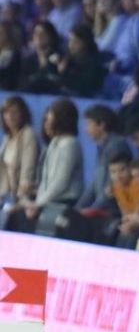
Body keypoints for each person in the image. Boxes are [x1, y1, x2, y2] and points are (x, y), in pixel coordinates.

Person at [5, 99, 84, 232]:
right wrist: (34, 194)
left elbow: (61, 182)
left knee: (19, 219)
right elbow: (47, 182)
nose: (46, 124)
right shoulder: (54, 143)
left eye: (49, 120)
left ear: (61, 120)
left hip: (62, 203)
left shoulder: (70, 144)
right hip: (47, 201)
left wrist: (38, 204)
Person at [76, 104, 131, 210]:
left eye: (88, 124)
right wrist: (78, 209)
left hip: (113, 211)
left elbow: (113, 185)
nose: (85, 130)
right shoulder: (101, 146)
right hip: (102, 209)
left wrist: (92, 210)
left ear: (101, 125)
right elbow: (94, 184)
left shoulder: (117, 145)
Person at [0, 96, 39, 208]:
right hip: (6, 197)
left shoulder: (28, 134)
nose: (10, 117)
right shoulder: (7, 138)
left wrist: (21, 199)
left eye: (14, 112)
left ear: (23, 114)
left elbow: (28, 169)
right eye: (6, 112)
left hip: (22, 199)